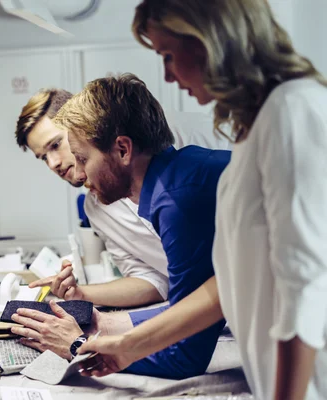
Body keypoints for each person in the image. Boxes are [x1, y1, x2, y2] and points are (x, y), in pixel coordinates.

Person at [79, 1, 327, 399]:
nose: (168, 75)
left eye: (168, 55)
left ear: (210, 40)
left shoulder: (291, 112)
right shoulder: (256, 127)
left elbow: (305, 290)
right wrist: (128, 346)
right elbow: (226, 284)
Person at [12, 74, 230, 379]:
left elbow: (185, 355)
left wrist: (78, 347)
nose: (78, 172)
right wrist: (107, 327)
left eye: (82, 158)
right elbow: (205, 301)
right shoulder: (182, 172)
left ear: (123, 149)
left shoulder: (177, 200)